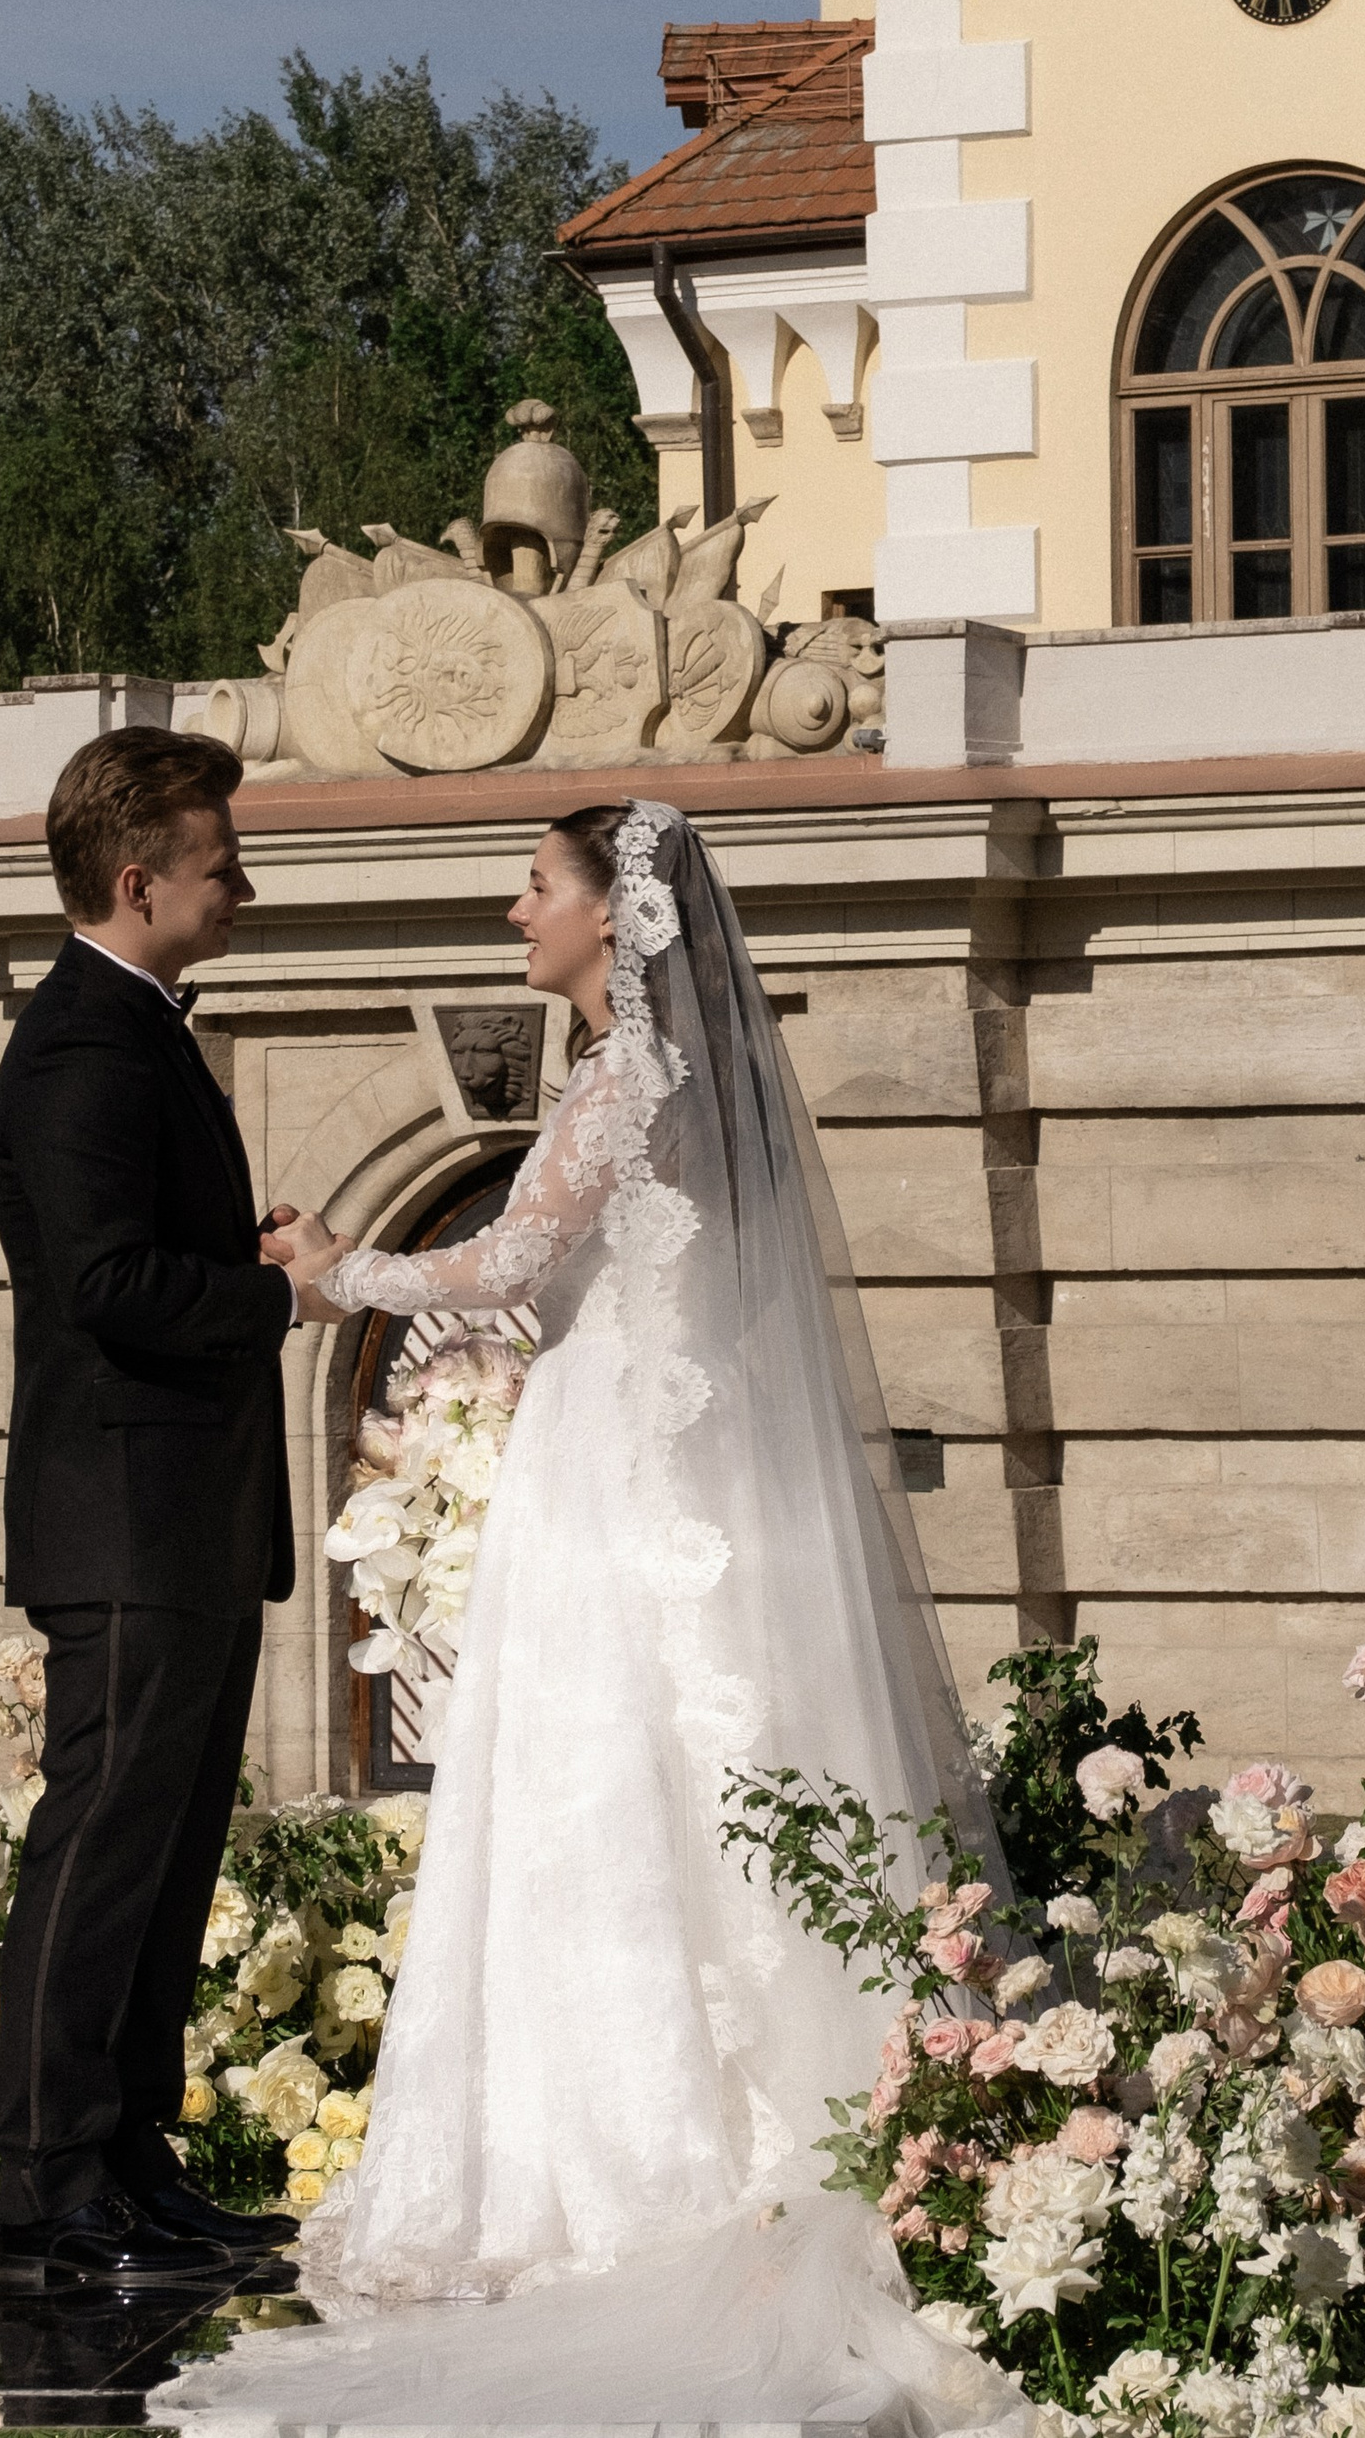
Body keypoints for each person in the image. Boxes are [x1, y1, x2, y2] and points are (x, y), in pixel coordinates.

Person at [162, 799, 1024, 2436]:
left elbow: (506, 1261)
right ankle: (741, 2137)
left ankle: (620, 2183)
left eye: (533, 888)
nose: (513, 913)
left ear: (608, 919)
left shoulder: (629, 1080)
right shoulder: (662, 1084)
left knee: (595, 1796)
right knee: (664, 1801)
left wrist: (342, 1273)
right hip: (646, 1461)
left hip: (611, 1487)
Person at [0, 726, 310, 2303]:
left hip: (176, 1518)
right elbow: (103, 1284)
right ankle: (51, 2187)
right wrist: (267, 1289)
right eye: (220, 865)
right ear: (140, 881)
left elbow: (130, 1251)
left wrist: (241, 1254)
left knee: (169, 1855)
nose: (239, 887)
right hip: (121, 1520)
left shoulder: (144, 1035)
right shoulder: (79, 1048)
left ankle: (131, 2164)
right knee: (104, 1845)